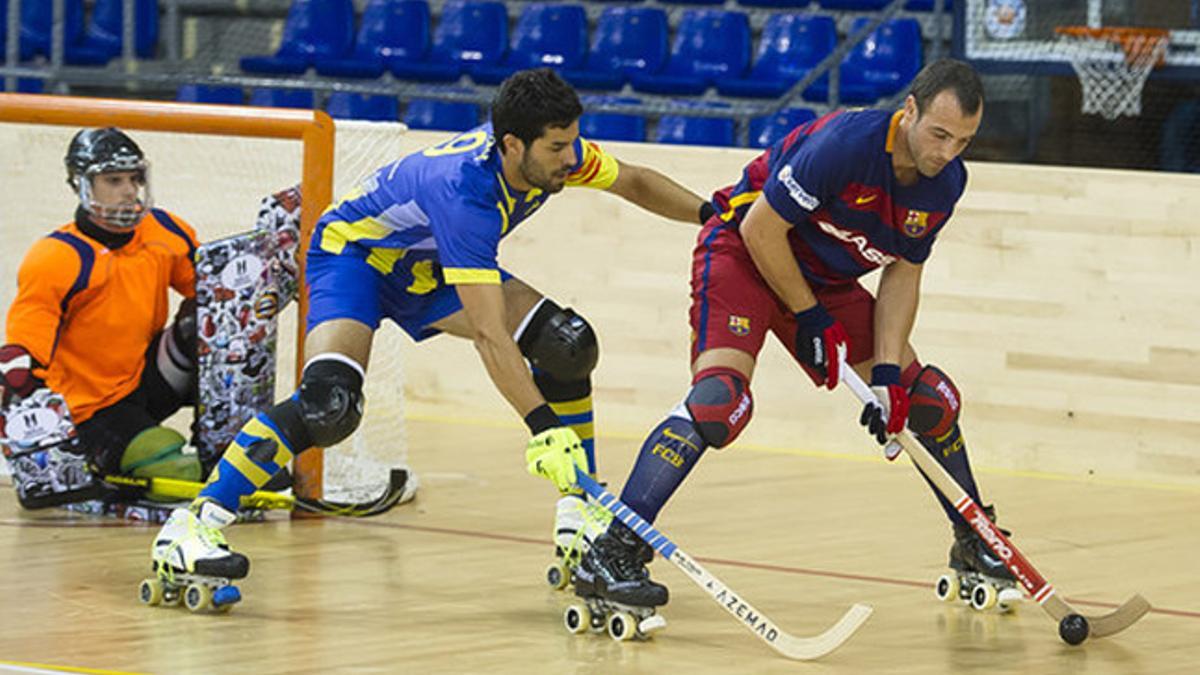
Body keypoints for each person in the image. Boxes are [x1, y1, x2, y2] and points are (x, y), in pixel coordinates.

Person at [148, 68, 714, 589]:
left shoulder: (552, 153)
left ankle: (578, 517)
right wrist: (543, 427)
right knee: (329, 405)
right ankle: (195, 524)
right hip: (356, 259)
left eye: (573, 143)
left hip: (427, 262)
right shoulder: (467, 193)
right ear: (512, 145)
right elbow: (492, 334)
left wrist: (716, 216)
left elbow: (635, 181)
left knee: (567, 345)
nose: (572, 159)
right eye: (558, 148)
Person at [540, 59, 1016, 610]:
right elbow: (760, 228)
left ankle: (974, 535)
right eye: (939, 134)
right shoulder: (846, 145)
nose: (946, 152)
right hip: (744, 253)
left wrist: (887, 376)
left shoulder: (946, 184)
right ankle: (614, 550)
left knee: (927, 400)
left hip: (821, 280)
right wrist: (808, 317)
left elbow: (903, 272)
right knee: (720, 403)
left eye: (963, 141)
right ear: (909, 110)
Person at [1, 128, 202, 501]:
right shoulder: (56, 257)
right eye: (114, 180)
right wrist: (49, 451)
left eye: (135, 179)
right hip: (89, 410)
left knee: (210, 319)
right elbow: (22, 360)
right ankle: (119, 455)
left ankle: (220, 444)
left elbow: (214, 294)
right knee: (176, 469)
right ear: (81, 184)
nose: (129, 191)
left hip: (144, 382)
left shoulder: (165, 230)